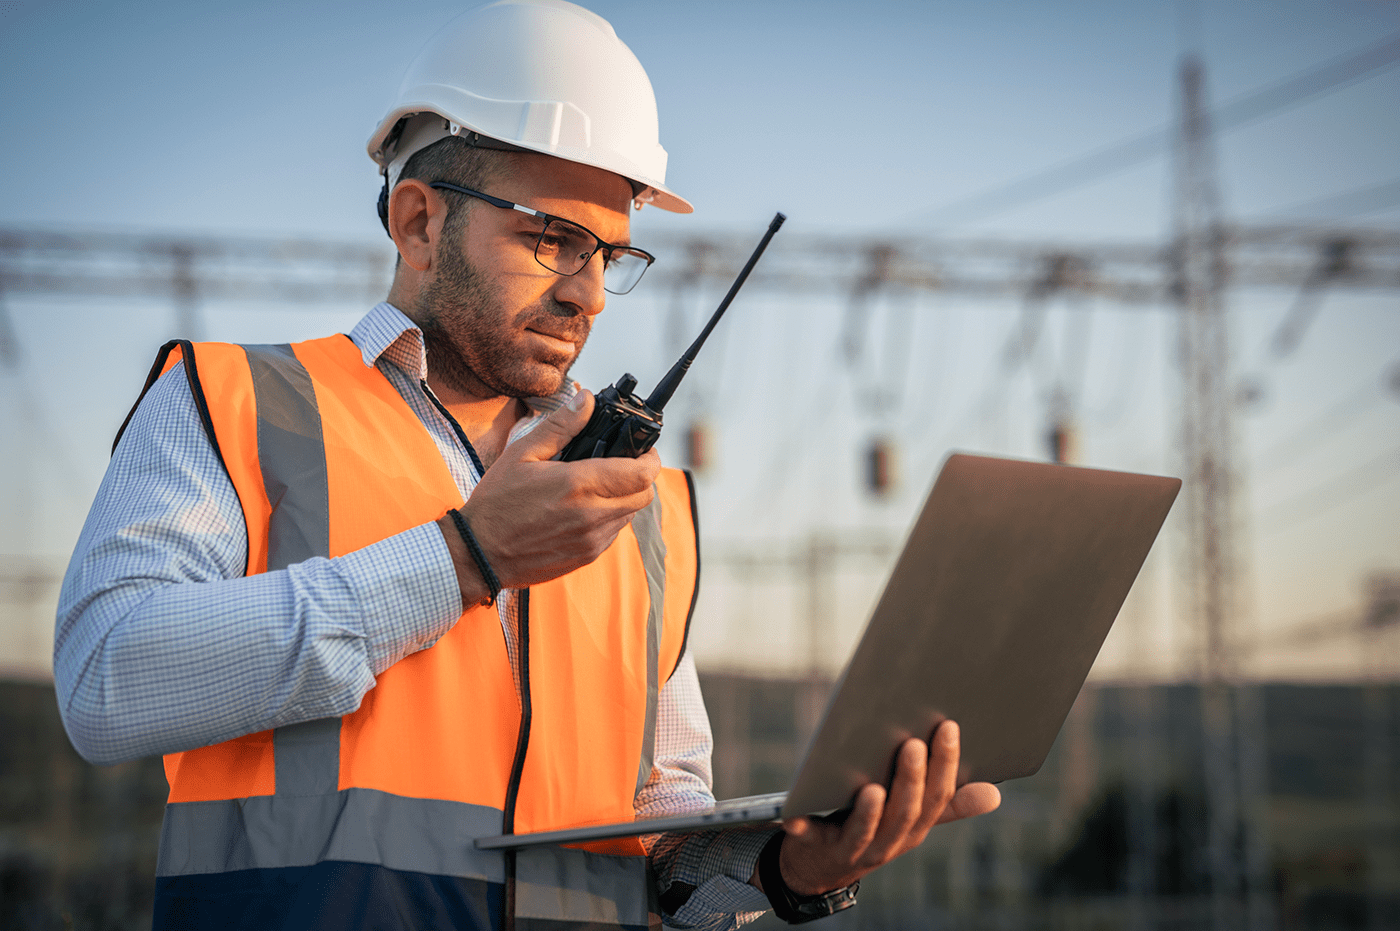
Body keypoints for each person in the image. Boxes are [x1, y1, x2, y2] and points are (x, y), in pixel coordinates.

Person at [53, 1, 1000, 928]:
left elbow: (665, 850)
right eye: (553, 239)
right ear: (420, 223)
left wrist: (793, 870)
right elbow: (105, 682)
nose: (588, 293)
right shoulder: (237, 405)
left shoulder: (640, 503)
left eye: (613, 254)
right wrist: (462, 558)